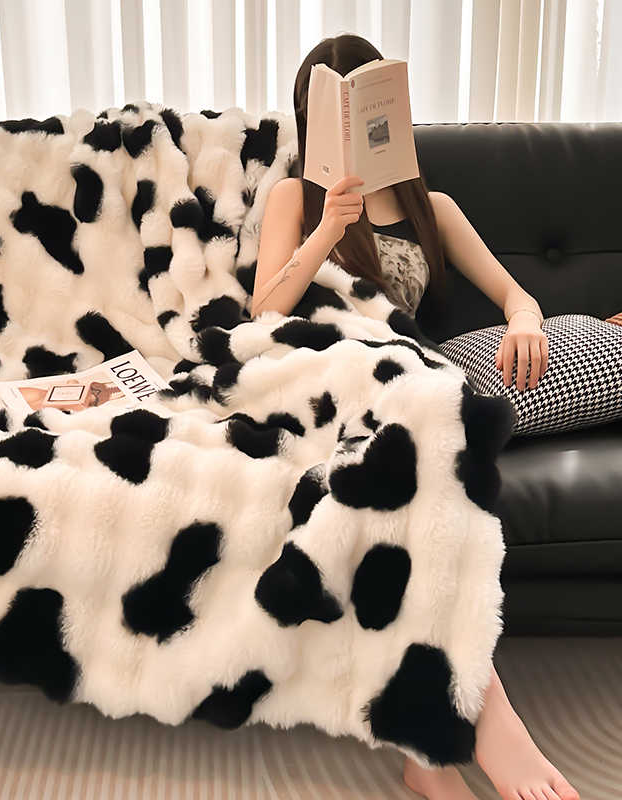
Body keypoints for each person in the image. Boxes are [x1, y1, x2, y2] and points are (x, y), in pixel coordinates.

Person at [252, 33, 581, 800]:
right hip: (317, 379)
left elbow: (515, 296)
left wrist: (526, 320)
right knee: (416, 454)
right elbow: (263, 312)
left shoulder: (436, 210)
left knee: (418, 473)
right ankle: (487, 726)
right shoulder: (293, 199)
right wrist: (327, 231)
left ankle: (426, 753)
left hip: (405, 389)